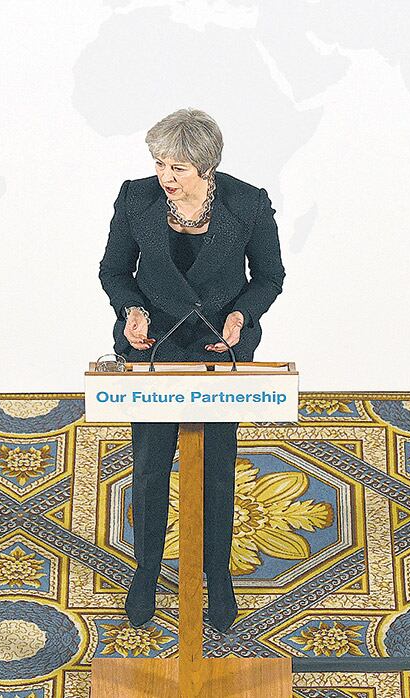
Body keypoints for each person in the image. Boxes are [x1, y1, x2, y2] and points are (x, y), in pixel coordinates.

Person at [97, 108, 286, 633]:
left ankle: (217, 576)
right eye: (160, 164)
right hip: (153, 346)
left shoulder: (248, 203)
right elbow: (114, 271)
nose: (165, 177)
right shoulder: (134, 198)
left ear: (207, 168)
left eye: (177, 168)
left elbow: (269, 277)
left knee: (218, 469)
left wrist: (241, 316)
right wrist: (131, 309)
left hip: (216, 349)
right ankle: (145, 571)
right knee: (150, 466)